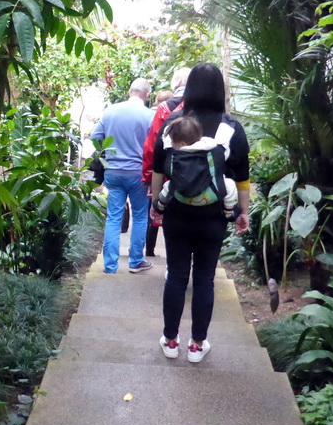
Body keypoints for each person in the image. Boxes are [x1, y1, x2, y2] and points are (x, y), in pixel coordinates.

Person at [150, 63, 250, 363]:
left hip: (178, 213)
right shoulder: (231, 128)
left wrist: (157, 206)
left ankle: (170, 340)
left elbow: (158, 169)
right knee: (205, 278)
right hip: (214, 216)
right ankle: (196, 345)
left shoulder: (173, 123)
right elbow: (243, 177)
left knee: (176, 276)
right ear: (221, 90)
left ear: (190, 88)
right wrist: (242, 212)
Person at [91, 78, 155, 274]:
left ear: (130, 91)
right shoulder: (149, 116)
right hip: (138, 173)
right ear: (147, 95)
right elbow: (154, 146)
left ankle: (110, 265)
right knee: (140, 216)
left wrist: (109, 153)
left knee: (114, 217)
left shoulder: (110, 111)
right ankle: (136, 261)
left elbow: (95, 137)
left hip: (113, 172)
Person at [142, 68, 191, 255]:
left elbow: (153, 146)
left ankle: (153, 250)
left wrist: (149, 178)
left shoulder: (165, 108)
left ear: (175, 82)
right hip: (199, 174)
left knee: (160, 210)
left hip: (169, 172)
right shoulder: (201, 106)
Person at [152, 115, 238, 220]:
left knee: (168, 185)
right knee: (229, 185)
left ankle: (160, 205)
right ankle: (229, 211)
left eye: (173, 143)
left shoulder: (176, 156)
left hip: (181, 197)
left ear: (182, 144)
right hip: (210, 195)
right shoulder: (209, 147)